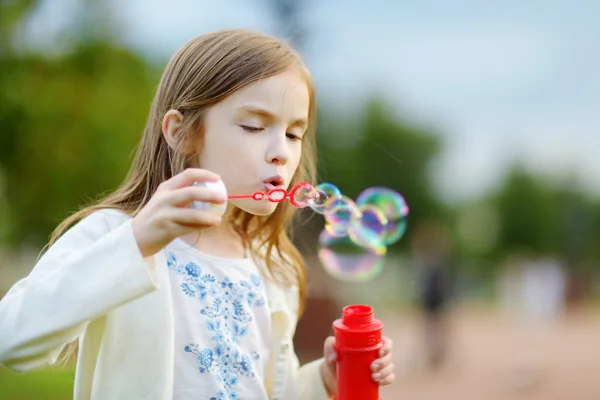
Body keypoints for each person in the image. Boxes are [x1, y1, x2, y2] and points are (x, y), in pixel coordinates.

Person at [0, 29, 395, 399]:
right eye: (254, 125)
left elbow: (268, 385)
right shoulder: (116, 235)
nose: (283, 151)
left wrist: (321, 382)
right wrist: (135, 244)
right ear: (182, 133)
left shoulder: (271, 267)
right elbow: (12, 339)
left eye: (294, 133)